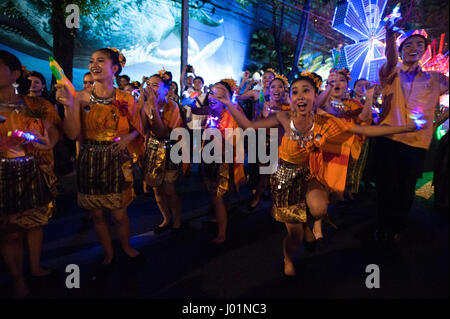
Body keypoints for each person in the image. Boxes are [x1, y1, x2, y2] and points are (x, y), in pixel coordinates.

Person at [222, 70, 421, 276]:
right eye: (295, 92)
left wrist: (404, 127)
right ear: (290, 98)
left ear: (315, 96)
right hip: (285, 178)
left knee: (318, 208)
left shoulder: (325, 122)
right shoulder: (283, 116)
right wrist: (228, 103)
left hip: (310, 174)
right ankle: (288, 256)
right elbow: (249, 125)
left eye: (306, 91)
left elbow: (363, 130)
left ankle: (308, 223)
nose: (300, 95)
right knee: (296, 236)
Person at [55, 47, 144, 266]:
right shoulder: (79, 97)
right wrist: (67, 107)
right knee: (97, 215)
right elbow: (73, 134)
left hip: (116, 159)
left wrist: (127, 137)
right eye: (91, 60)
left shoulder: (125, 98)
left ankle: (125, 246)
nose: (93, 64)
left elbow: (140, 128)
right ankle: (108, 253)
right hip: (90, 160)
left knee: (119, 214)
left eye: (100, 61)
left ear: (114, 68)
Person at [373, 22, 449, 245]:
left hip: (417, 144)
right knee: (386, 187)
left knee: (406, 189)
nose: (413, 48)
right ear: (400, 50)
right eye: (407, 45)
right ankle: (383, 226)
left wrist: (438, 122)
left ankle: (398, 226)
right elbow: (389, 59)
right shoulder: (391, 73)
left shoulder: (435, 79)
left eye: (419, 44)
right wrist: (389, 36)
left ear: (424, 50)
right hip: (389, 139)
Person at [0, 50, 61, 298]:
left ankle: (35, 268)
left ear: (14, 74)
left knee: (35, 225)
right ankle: (17, 278)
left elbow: (54, 130)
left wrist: (48, 142)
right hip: (2, 173)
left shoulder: (37, 105)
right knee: (11, 231)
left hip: (31, 168)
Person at [313, 68, 374, 242]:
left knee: (335, 190)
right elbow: (316, 106)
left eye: (342, 80)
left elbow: (364, 117)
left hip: (342, 154)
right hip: (322, 150)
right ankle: (316, 223)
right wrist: (328, 87)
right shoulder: (325, 99)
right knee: (322, 187)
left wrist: (368, 97)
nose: (338, 83)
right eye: (335, 80)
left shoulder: (353, 104)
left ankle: (321, 215)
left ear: (347, 85)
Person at [199, 78, 246, 243]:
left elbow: (233, 146)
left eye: (219, 96)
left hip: (223, 162)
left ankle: (222, 233)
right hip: (209, 158)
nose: (213, 98)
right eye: (212, 93)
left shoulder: (232, 118)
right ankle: (222, 215)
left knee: (218, 197)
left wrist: (217, 137)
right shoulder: (210, 113)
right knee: (215, 195)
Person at [140, 71, 183, 234]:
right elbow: (144, 129)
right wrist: (143, 106)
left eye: (155, 85)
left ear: (166, 90)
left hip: (170, 148)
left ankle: (177, 219)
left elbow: (164, 132)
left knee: (169, 189)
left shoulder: (172, 106)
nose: (151, 88)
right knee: (156, 188)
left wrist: (154, 110)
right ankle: (166, 218)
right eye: (149, 85)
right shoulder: (147, 105)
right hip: (152, 147)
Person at [248, 74, 290, 211]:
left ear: (284, 89)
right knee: (264, 176)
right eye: (273, 86)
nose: (276, 89)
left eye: (280, 86)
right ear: (269, 89)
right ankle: (257, 198)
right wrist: (263, 116)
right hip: (265, 144)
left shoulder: (287, 108)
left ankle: (276, 204)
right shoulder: (263, 105)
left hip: (281, 146)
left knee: (278, 178)